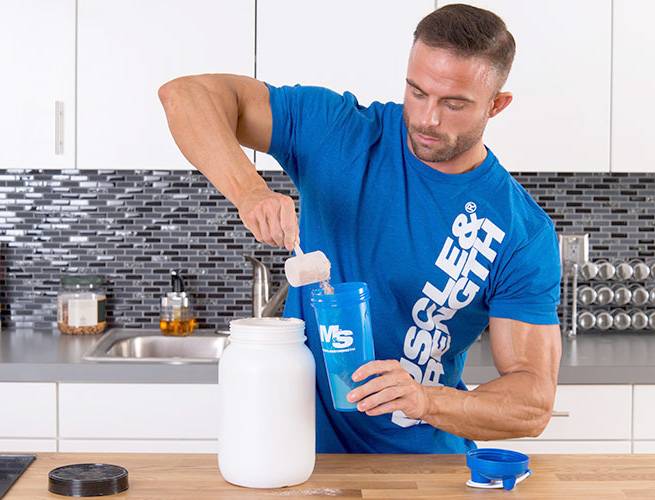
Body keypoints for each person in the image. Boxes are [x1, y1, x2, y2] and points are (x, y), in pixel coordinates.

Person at [158, 3, 562, 453]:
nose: (427, 118)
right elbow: (185, 95)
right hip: (300, 455)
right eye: (417, 92)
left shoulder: (521, 233)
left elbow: (532, 403)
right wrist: (249, 191)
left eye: (453, 104)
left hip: (423, 467)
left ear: (496, 105)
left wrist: (425, 399)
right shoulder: (339, 133)